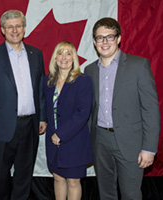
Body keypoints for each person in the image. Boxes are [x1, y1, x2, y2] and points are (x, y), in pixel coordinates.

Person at [84, 17, 160, 200]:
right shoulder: (89, 71)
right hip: (100, 141)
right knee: (106, 193)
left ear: (118, 39)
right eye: (100, 38)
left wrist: (149, 148)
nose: (105, 42)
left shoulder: (138, 65)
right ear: (94, 42)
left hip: (131, 143)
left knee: (131, 195)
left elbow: (150, 109)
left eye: (109, 37)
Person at [0, 9, 47, 200]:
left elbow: (40, 88)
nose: (14, 30)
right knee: (0, 176)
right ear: (2, 30)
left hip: (31, 124)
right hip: (1, 126)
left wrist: (42, 117)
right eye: (10, 27)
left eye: (18, 26)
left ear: (24, 28)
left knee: (24, 176)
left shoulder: (36, 54)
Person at [44, 41, 93, 200]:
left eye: (68, 53)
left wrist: (61, 134)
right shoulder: (47, 81)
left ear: (74, 58)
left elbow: (83, 113)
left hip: (74, 139)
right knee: (57, 178)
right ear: (55, 58)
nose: (64, 57)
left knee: (73, 181)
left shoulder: (83, 80)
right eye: (60, 53)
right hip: (52, 139)